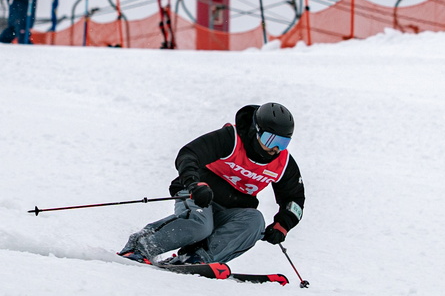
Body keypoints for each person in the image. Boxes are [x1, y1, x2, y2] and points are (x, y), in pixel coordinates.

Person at [118, 103, 305, 266]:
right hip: (199, 196)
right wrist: (194, 184)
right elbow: (189, 154)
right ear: (255, 131)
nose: (275, 149)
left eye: (283, 143)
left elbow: (294, 199)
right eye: (270, 140)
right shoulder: (231, 139)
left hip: (231, 210)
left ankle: (196, 258)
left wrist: (283, 225)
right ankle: (140, 247)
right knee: (201, 225)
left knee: (255, 222)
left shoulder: (283, 164)